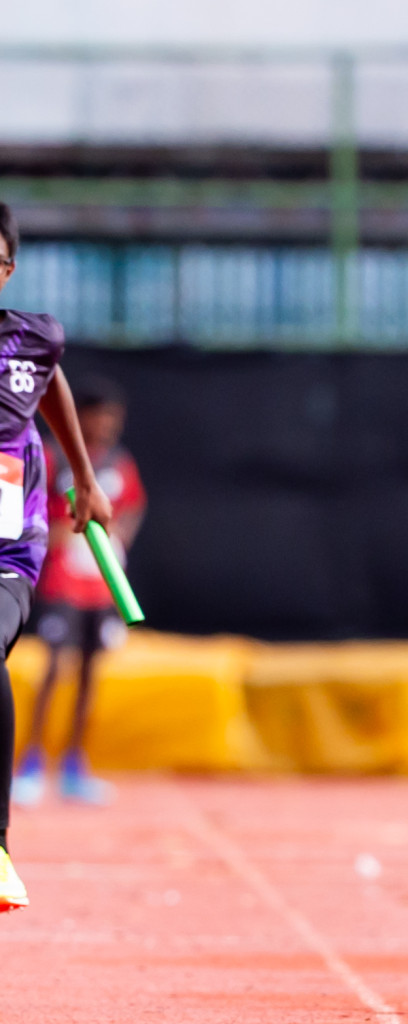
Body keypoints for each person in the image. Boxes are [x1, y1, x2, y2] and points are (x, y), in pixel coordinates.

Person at [0, 201, 117, 911]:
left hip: (5, 549)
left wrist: (85, 476)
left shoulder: (30, 339)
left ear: (6, 269)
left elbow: (49, 380)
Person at [14, 378, 145, 806]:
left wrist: (120, 535)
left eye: (113, 418)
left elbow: (134, 503)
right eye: (97, 416)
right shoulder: (52, 457)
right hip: (60, 581)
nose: (105, 426)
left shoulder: (118, 462)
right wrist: (51, 535)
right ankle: (31, 763)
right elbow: (20, 507)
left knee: (90, 672)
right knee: (53, 668)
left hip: (100, 585)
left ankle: (74, 764)